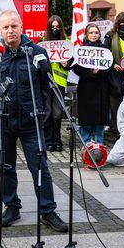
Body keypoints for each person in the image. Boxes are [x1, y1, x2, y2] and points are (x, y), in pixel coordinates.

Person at [0, 10, 68, 232]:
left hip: (32, 122)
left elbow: (45, 83)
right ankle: (11, 206)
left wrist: (33, 106)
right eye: (6, 27)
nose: (10, 31)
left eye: (14, 26)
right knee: (6, 167)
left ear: (21, 27)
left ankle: (47, 211)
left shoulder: (37, 52)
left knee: (40, 167)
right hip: (3, 121)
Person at [72, 23, 111, 145]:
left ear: (99, 34)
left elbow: (109, 66)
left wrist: (98, 73)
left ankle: (99, 145)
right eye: (91, 33)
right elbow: (76, 68)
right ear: (86, 35)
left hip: (101, 87)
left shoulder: (105, 49)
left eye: (96, 33)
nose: (94, 35)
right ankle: (86, 145)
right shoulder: (80, 49)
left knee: (100, 119)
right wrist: (91, 73)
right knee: (86, 118)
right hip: (86, 87)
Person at [42, 15, 68, 151]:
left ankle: (57, 140)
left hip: (60, 82)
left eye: (57, 27)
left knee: (57, 114)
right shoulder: (43, 42)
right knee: (47, 112)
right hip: (46, 82)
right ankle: (47, 140)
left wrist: (66, 63)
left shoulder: (66, 42)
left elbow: (71, 63)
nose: (55, 29)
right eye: (53, 27)